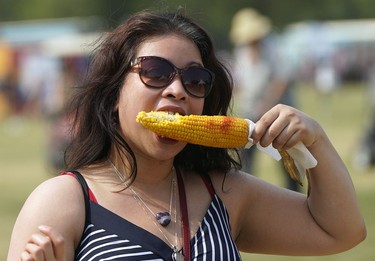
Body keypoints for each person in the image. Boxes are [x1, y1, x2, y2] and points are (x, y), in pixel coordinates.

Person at [7, 9, 366, 261]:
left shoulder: (224, 192)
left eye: (195, 80)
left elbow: (341, 231)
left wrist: (316, 142)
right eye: (155, 71)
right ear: (114, 94)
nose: (177, 89)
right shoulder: (65, 202)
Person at [229, 8, 299, 191]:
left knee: (286, 158)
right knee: (246, 160)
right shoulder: (242, 51)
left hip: (278, 113)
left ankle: (295, 196)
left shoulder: (274, 46)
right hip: (251, 113)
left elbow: (281, 80)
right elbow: (243, 82)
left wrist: (266, 106)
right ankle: (246, 193)